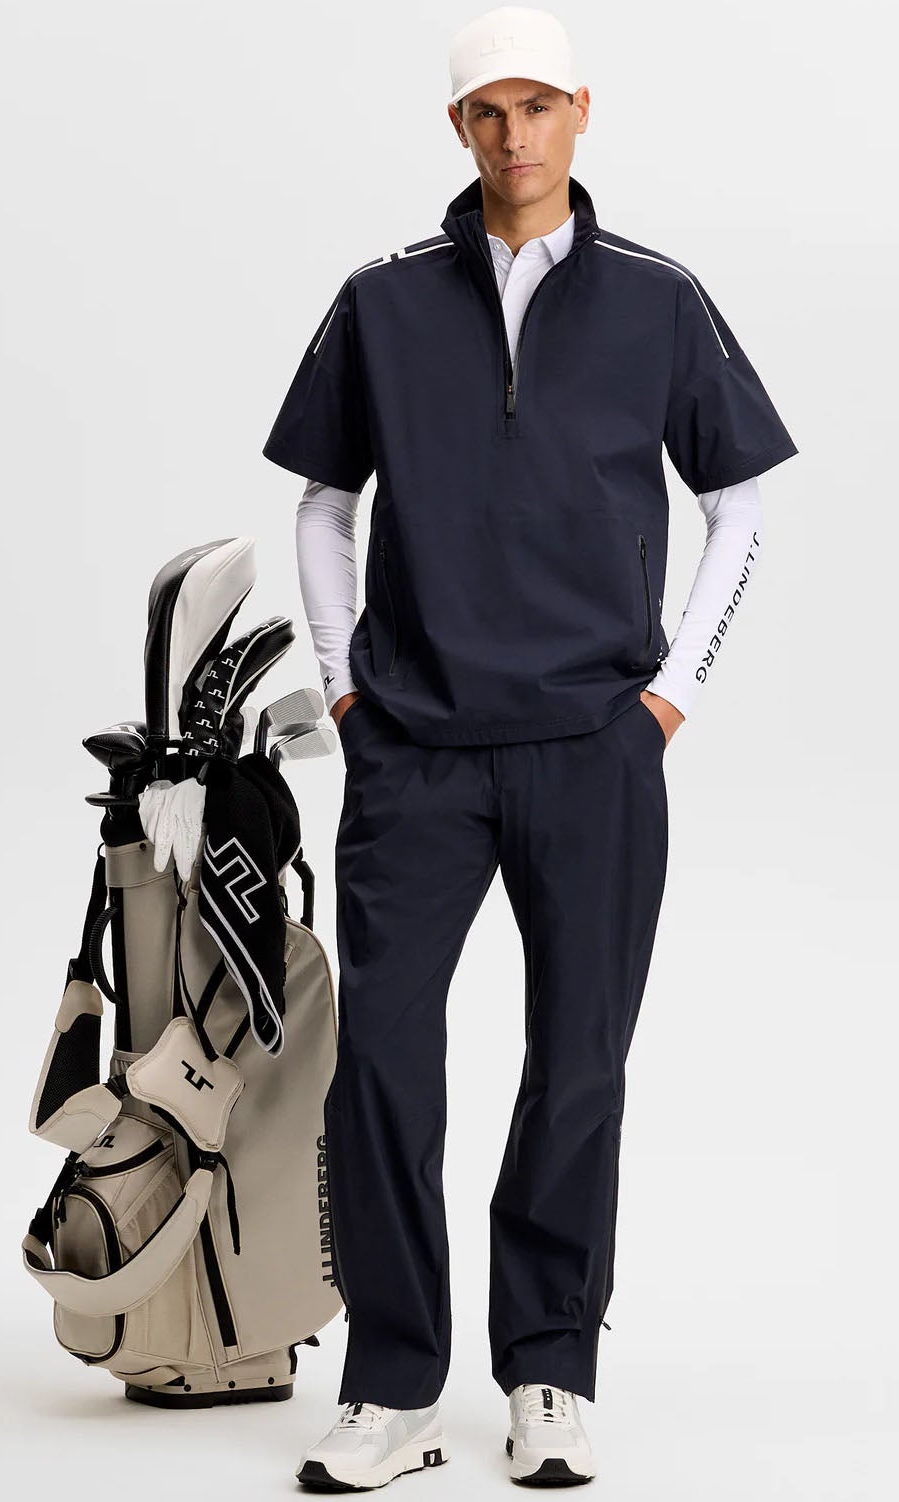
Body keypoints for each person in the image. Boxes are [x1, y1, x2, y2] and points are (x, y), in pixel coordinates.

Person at [261, 6, 796, 1488]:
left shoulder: (657, 300)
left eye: (538, 106)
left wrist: (670, 695)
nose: (515, 136)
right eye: (488, 112)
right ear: (458, 128)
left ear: (580, 111)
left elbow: (739, 503)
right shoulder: (381, 301)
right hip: (416, 750)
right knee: (382, 1061)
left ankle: (549, 1371)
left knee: (577, 1065)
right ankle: (391, 1388)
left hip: (592, 747)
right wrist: (347, 690)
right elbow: (323, 503)